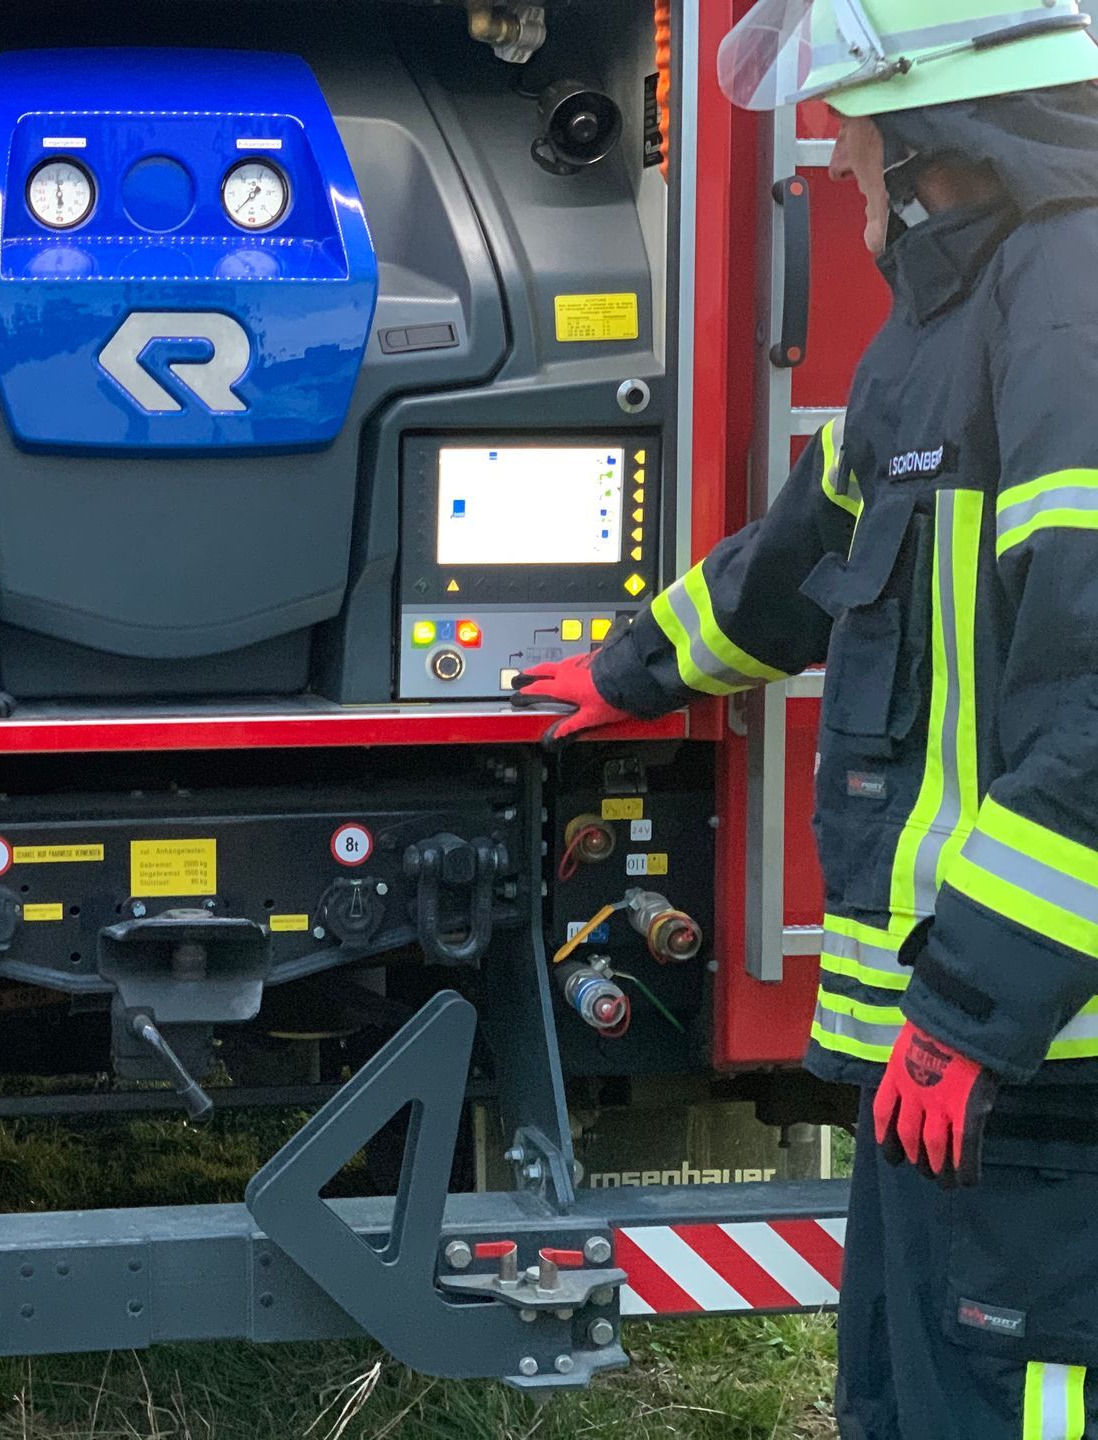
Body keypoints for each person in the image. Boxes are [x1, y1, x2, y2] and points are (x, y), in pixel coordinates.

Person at [512, 3, 1098, 1434]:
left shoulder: (1070, 315)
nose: (832, 158)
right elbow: (805, 556)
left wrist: (971, 1017)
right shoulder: (946, 327)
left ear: (940, 138)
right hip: (960, 1050)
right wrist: (633, 669)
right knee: (906, 1396)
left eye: (853, 126)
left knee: (1009, 1401)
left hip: (1038, 1057)